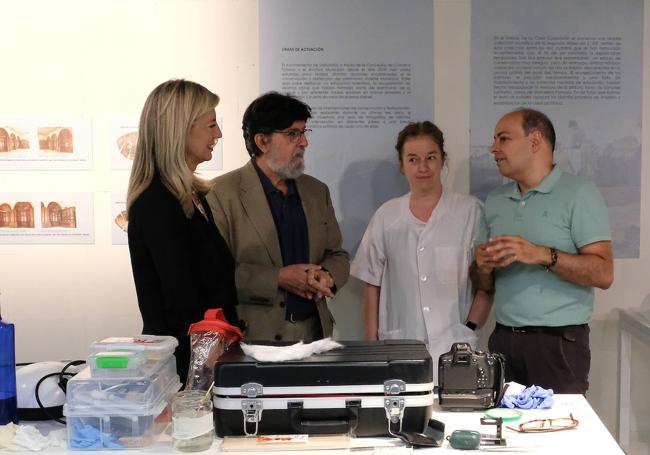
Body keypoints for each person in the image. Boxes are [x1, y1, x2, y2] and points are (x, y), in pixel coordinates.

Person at [474, 108, 614, 394]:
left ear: (535, 141)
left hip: (558, 345)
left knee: (558, 434)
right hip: (503, 341)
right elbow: (484, 286)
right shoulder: (496, 200)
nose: (493, 148)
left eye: (503, 139)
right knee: (505, 435)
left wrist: (541, 254)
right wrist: (483, 268)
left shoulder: (579, 193)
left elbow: (604, 273)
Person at [351, 121, 493, 381]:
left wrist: (471, 327)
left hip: (456, 344)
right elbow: (372, 284)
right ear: (402, 165)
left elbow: (487, 279)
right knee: (402, 416)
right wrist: (372, 343)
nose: (423, 167)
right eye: (413, 159)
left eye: (430, 157)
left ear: (442, 160)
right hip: (399, 344)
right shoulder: (386, 216)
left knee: (455, 413)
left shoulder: (470, 211)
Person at [207, 92, 349, 342]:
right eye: (293, 134)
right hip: (252, 340)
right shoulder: (220, 194)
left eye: (304, 132)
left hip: (315, 336)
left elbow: (337, 255)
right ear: (262, 141)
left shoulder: (317, 191)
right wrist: (278, 278)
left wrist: (327, 275)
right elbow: (214, 275)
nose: (304, 142)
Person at [127, 79, 240, 383]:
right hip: (184, 368)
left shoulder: (192, 196)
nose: (218, 134)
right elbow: (180, 299)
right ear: (180, 128)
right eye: (211, 125)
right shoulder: (157, 202)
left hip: (204, 358)